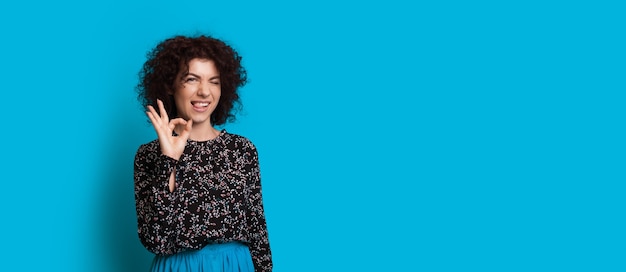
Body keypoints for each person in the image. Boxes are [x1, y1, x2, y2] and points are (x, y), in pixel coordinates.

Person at [133, 34, 272, 272]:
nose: (204, 92)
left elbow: (257, 231)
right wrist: (169, 160)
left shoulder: (242, 150)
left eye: (214, 81)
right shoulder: (149, 155)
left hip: (235, 266)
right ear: (170, 84)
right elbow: (156, 239)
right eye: (192, 79)